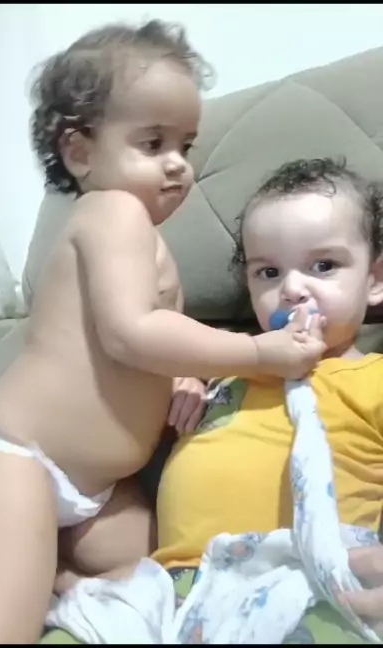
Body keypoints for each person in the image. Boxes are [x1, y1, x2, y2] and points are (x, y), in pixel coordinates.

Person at [0, 22, 325, 644]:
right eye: (153, 143)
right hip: (23, 462)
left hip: (99, 491)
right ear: (80, 152)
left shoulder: (143, 239)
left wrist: (180, 377)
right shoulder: (112, 212)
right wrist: (258, 351)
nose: (178, 163)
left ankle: (31, 580)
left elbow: (128, 351)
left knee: (156, 575)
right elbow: (130, 332)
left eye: (186, 144)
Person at [152, 157, 383, 643]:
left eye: (324, 266)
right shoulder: (227, 367)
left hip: (309, 585)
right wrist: (178, 382)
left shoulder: (373, 378)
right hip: (176, 586)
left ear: (375, 280)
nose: (292, 289)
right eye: (269, 272)